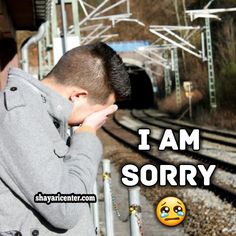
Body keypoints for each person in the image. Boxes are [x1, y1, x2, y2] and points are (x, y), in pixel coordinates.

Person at [0, 42, 130, 235]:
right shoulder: (19, 115)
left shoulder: (42, 114)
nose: (99, 118)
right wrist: (87, 133)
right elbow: (64, 208)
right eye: (100, 111)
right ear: (78, 96)